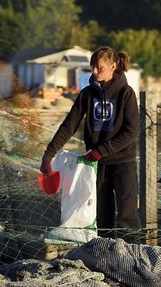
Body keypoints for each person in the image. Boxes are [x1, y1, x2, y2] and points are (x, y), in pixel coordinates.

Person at [40, 47, 139, 229]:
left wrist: (102, 151)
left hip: (123, 163)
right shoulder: (87, 94)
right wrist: (48, 156)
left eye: (99, 67)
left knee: (127, 217)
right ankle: (105, 254)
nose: (94, 71)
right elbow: (68, 126)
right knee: (102, 217)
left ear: (113, 66)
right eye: (93, 67)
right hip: (95, 166)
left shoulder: (127, 93)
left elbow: (131, 131)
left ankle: (131, 255)